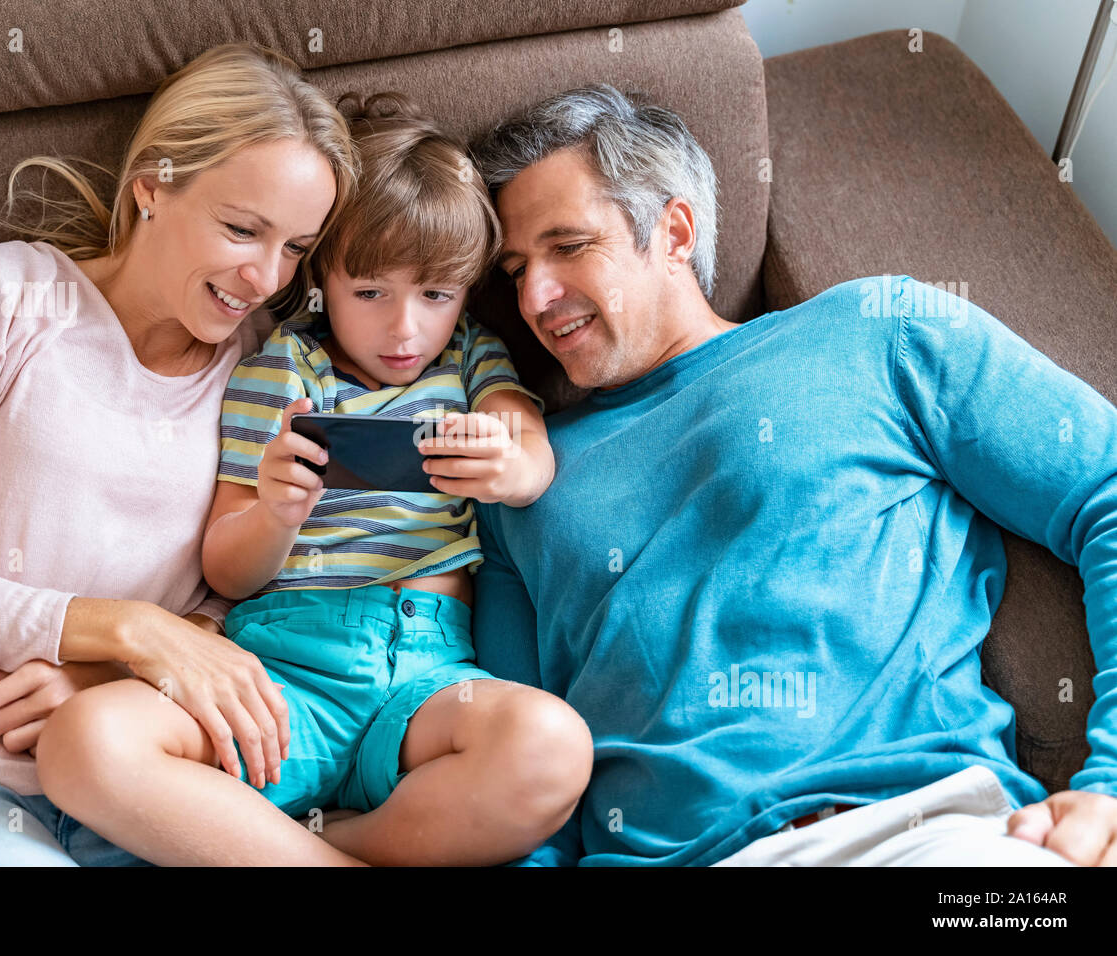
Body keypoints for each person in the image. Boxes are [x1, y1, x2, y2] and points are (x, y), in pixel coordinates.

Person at [467, 84, 1117, 866]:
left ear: (673, 231)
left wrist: (1109, 783)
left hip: (924, 836)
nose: (535, 298)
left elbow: (1105, 490)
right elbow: (516, 774)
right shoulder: (517, 487)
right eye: (515, 270)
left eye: (567, 247)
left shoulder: (880, 332)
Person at [0, 43, 360, 866]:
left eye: (295, 248)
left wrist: (102, 680)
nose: (264, 276)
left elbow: (232, 608)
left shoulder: (267, 367)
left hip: (131, 785)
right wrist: (128, 630)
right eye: (241, 229)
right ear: (153, 184)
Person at [36, 94, 593, 867]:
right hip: (282, 676)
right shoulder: (280, 371)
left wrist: (511, 463)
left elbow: (529, 452)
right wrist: (275, 511)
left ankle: (314, 847)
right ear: (321, 275)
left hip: (426, 681)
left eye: (436, 294)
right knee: (83, 740)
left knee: (552, 746)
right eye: (371, 293)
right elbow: (226, 567)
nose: (405, 329)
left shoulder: (471, 355)